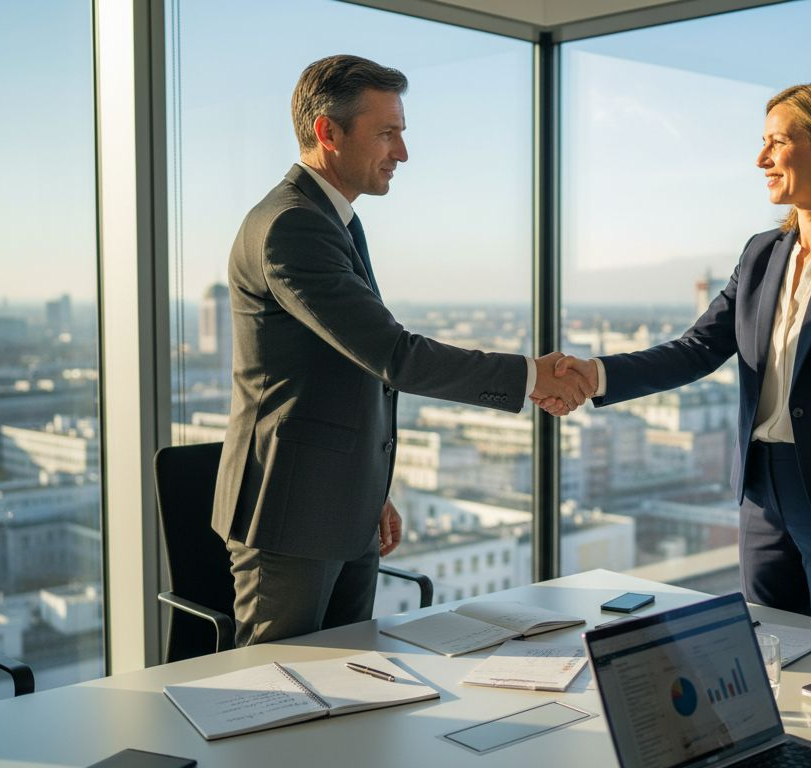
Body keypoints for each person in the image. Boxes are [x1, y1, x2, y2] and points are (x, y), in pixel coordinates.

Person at [212, 54, 590, 647]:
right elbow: (394, 355)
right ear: (327, 132)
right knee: (276, 699)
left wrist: (369, 489)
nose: (402, 152)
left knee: (350, 685)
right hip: (290, 514)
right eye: (387, 133)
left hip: (340, 505)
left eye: (401, 133)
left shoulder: (334, 220)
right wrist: (528, 376)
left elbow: (347, 367)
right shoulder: (291, 225)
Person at [543, 82, 811, 632]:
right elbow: (696, 349)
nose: (761, 158)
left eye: (777, 141)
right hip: (760, 493)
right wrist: (595, 375)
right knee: (768, 654)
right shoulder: (761, 253)